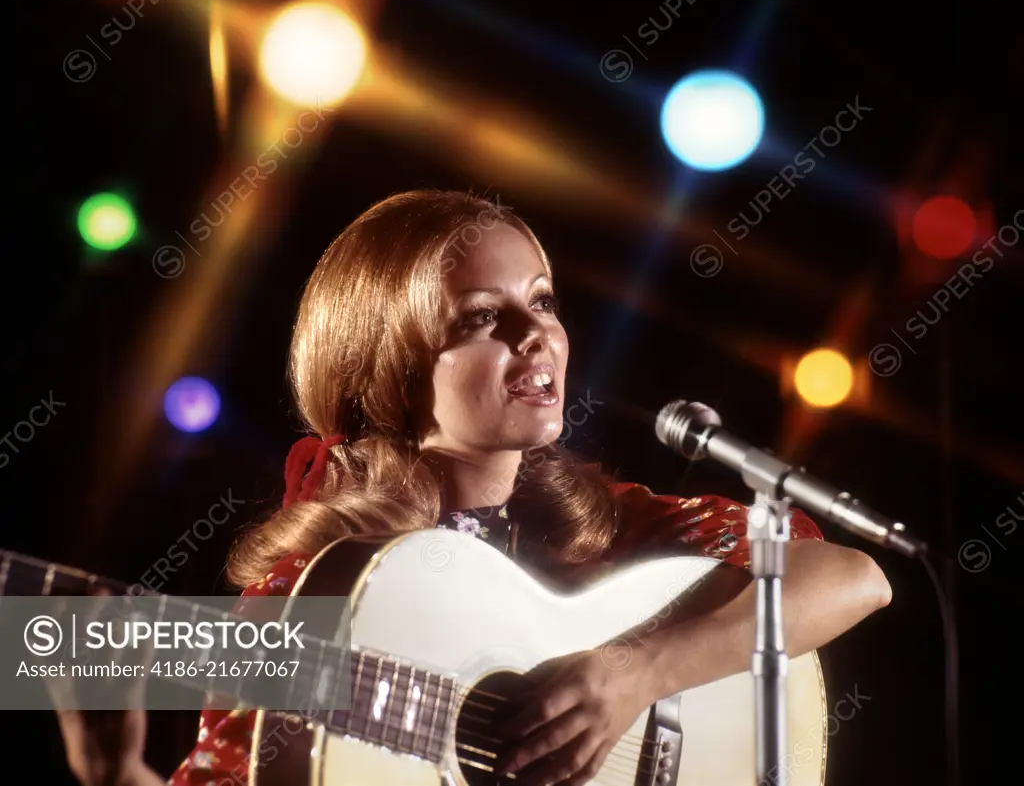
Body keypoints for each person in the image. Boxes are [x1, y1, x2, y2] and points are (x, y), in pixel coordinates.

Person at [54, 189, 892, 786]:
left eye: (543, 301)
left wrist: (635, 671)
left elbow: (857, 578)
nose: (540, 336)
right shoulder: (311, 595)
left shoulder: (611, 526)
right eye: (482, 317)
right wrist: (119, 774)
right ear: (388, 369)